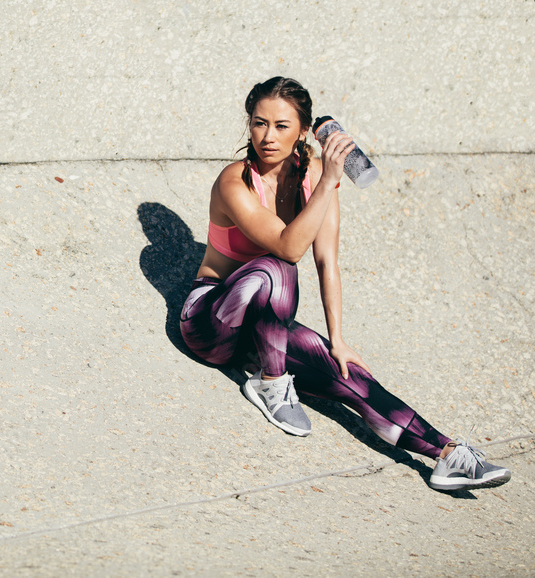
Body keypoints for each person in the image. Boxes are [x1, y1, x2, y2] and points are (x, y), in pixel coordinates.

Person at [179, 77, 511, 491]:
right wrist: (328, 181)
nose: (267, 136)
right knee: (276, 269)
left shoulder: (316, 174)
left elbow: (326, 259)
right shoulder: (235, 181)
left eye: (282, 126)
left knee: (349, 376)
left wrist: (337, 338)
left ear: (304, 132)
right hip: (211, 320)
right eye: (259, 123)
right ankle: (269, 385)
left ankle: (447, 456)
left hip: (264, 331)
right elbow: (289, 248)